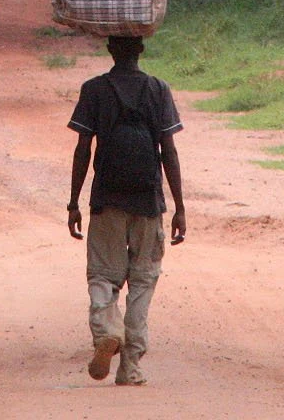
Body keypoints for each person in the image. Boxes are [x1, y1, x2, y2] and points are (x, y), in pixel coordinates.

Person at [65, 34, 186, 385]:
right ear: (141, 51)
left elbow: (82, 151)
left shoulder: (94, 90)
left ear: (110, 51)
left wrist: (74, 202)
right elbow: (169, 151)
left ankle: (106, 330)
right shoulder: (158, 90)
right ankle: (131, 366)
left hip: (107, 198)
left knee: (103, 274)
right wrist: (179, 207)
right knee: (143, 281)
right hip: (148, 201)